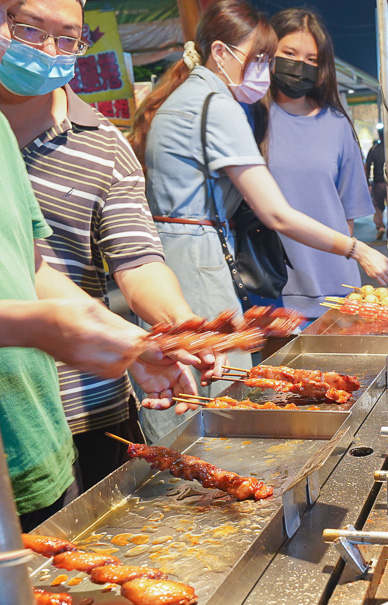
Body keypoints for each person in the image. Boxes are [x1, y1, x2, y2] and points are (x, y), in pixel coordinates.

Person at [130, 0, 388, 440]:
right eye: (265, 58)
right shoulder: (217, 102)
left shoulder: (193, 95)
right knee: (215, 395)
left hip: (181, 254)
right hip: (194, 262)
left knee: (195, 384)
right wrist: (356, 247)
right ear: (221, 52)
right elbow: (274, 212)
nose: (268, 72)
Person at [0, 0, 216, 490]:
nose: (49, 50)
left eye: (68, 37)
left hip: (84, 403)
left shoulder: (103, 144)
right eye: (29, 28)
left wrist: (167, 330)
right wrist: (37, 325)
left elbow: (133, 260)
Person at [248, 8, 374, 319]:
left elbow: (346, 213)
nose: (299, 66)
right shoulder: (250, 119)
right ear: (268, 53)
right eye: (289, 53)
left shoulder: (337, 124)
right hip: (273, 290)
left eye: (311, 60)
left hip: (337, 286)